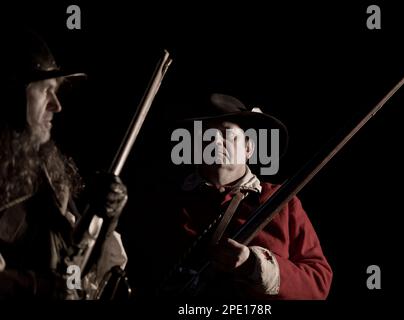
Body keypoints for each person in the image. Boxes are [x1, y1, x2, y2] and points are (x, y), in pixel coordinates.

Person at [156, 93, 332, 299]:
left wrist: (254, 264)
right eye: (206, 135)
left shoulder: (283, 201)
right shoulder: (167, 200)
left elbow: (318, 283)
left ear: (248, 148)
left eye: (228, 134)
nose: (216, 141)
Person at [0, 29, 128, 299]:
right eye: (46, 91)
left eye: (56, 92)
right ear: (12, 93)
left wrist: (105, 216)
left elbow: (74, 256)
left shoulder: (45, 163)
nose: (57, 105)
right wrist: (35, 286)